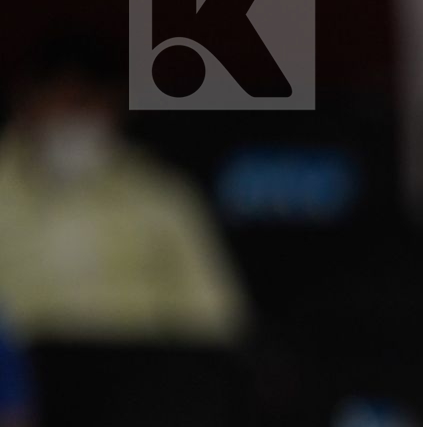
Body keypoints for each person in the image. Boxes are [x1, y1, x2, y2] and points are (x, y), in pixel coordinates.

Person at [0, 31, 249, 344]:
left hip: (137, 377)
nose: (73, 119)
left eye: (87, 105)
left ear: (118, 107)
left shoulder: (162, 195)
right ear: (24, 102)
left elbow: (216, 323)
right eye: (59, 103)